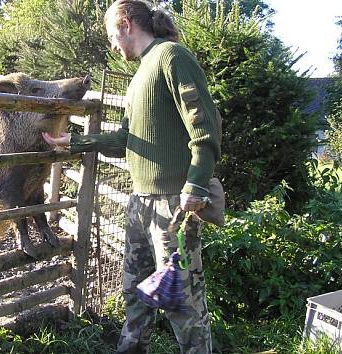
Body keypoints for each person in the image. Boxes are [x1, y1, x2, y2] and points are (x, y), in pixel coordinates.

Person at [42, 1, 221, 353]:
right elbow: (126, 138)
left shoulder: (172, 57)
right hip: (140, 203)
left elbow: (206, 125)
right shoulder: (140, 73)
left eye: (112, 35)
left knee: (182, 303)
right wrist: (77, 142)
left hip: (174, 206)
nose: (112, 45)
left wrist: (197, 183)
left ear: (126, 23)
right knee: (135, 293)